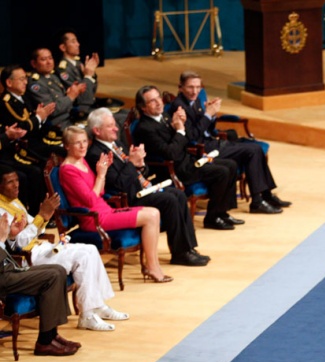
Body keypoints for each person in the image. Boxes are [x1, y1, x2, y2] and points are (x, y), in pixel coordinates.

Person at [0, 164, 129, 331]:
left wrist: (42, 217)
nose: (17, 184)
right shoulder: (1, 209)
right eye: (10, 182)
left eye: (17, 179)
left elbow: (38, 227)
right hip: (27, 258)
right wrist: (42, 217)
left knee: (90, 249)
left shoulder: (15, 202)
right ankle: (87, 316)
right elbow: (18, 244)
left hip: (40, 247)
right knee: (82, 256)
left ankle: (98, 306)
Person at [86, 107, 209, 266]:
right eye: (110, 126)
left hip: (140, 189)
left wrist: (140, 163)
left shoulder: (116, 143)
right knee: (169, 199)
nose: (116, 128)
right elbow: (118, 183)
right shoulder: (96, 154)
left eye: (115, 124)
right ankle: (180, 253)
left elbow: (137, 170)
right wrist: (131, 163)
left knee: (177, 194)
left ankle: (188, 248)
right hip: (127, 199)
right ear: (96, 130)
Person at [59, 125, 172, 283]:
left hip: (104, 210)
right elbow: (91, 200)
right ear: (67, 146)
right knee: (151, 215)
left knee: (153, 211)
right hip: (94, 219)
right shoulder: (68, 170)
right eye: (77, 143)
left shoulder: (82, 161)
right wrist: (101, 175)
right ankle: (152, 268)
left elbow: (101, 192)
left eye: (84, 141)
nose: (83, 146)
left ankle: (152, 266)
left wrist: (104, 172)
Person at [170, 71, 291, 214]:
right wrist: (208, 114)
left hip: (213, 142)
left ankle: (266, 195)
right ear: (180, 87)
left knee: (255, 148)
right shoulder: (179, 107)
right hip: (202, 149)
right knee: (252, 150)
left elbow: (208, 129)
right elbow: (191, 137)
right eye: (190, 87)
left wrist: (212, 115)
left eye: (198, 87)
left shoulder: (196, 100)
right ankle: (257, 202)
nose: (195, 91)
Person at [133, 85, 242, 230]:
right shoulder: (145, 128)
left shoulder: (164, 116)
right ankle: (212, 218)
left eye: (158, 97)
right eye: (152, 101)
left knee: (231, 165)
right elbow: (170, 153)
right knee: (222, 172)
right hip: (175, 169)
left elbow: (187, 139)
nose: (159, 102)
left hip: (188, 160)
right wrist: (179, 130)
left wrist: (181, 126)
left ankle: (222, 212)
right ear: (143, 107)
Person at [0, 212, 80, 356]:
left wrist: (10, 236)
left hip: (9, 269)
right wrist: (1, 239)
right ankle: (45, 342)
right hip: (3, 277)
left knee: (59, 269)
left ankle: (52, 334)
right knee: (52, 276)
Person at [25, 47, 86, 131]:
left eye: (50, 58)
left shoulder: (53, 77)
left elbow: (63, 99)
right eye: (43, 59)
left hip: (70, 116)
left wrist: (71, 92)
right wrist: (70, 97)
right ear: (34, 63)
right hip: (56, 124)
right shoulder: (35, 84)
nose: (49, 62)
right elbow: (52, 111)